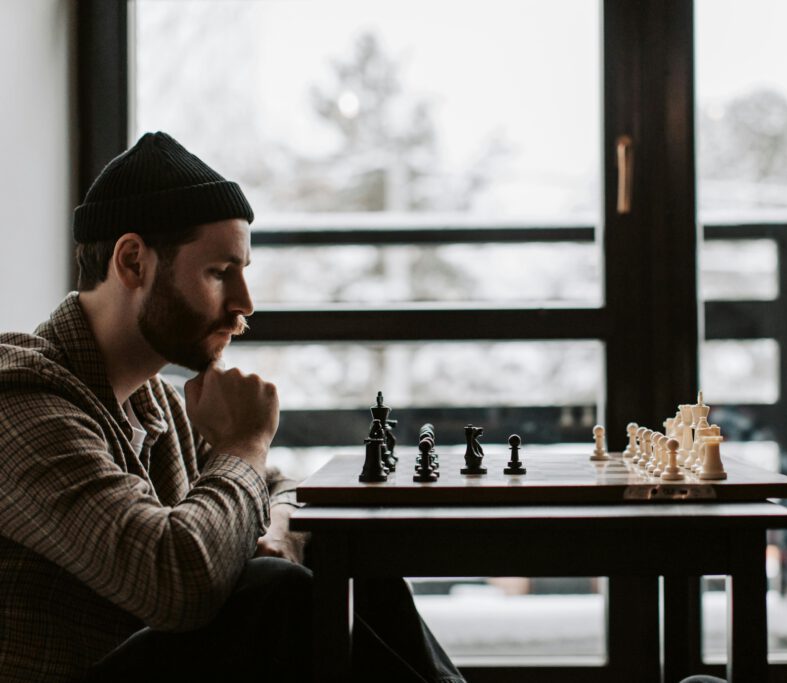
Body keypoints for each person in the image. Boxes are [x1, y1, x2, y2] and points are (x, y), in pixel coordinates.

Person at [0, 132, 464, 683]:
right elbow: (174, 581)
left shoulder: (160, 404)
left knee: (350, 567)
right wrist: (244, 443)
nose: (245, 303)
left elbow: (282, 487)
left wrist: (280, 528)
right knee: (278, 596)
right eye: (220, 273)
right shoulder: (18, 398)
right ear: (132, 262)